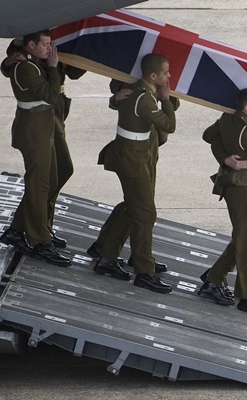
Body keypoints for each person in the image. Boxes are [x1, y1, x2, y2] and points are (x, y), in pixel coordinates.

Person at [91, 53, 176, 293]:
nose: (169, 76)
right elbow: (169, 125)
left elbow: (119, 101)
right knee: (146, 215)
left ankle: (108, 257)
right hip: (132, 159)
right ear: (153, 76)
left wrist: (114, 100)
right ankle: (143, 271)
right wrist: (167, 100)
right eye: (166, 73)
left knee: (133, 208)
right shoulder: (144, 99)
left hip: (139, 154)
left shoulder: (139, 91)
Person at [196, 88, 247, 318]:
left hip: (240, 185)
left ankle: (215, 279)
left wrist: (224, 158)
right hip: (243, 187)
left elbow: (208, 136)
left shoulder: (227, 118)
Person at [0, 38, 86, 251]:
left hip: (53, 113)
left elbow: (74, 72)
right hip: (41, 113)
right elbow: (11, 61)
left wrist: (88, 52)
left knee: (60, 171)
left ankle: (28, 227)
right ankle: (38, 234)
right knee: (43, 179)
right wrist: (49, 66)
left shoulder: (71, 36)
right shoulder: (36, 39)